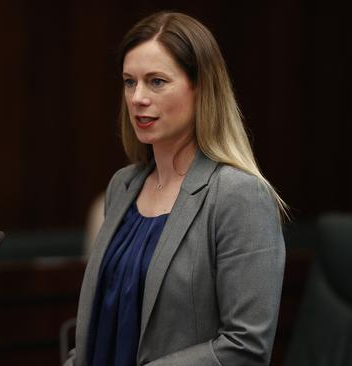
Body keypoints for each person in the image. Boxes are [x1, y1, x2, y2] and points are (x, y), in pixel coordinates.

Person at [65, 11, 286, 366]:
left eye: (156, 81)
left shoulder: (238, 196)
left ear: (201, 88)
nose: (137, 97)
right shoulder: (122, 187)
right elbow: (103, 324)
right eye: (128, 82)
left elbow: (246, 346)